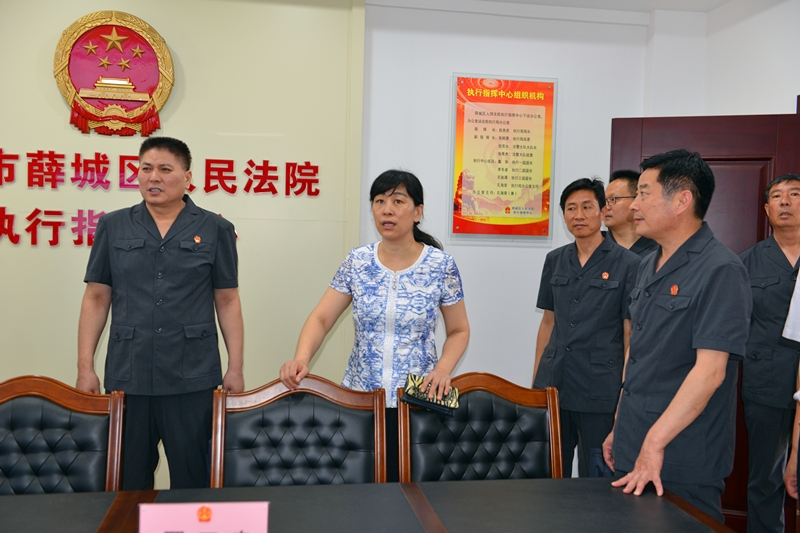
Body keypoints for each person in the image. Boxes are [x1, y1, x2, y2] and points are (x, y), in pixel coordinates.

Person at [76, 137, 244, 490]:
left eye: (165, 169)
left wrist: (235, 367)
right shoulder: (113, 226)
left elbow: (227, 300)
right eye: (146, 168)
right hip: (129, 374)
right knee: (126, 481)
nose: (154, 177)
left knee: (193, 479)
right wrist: (85, 367)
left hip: (192, 376)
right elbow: (96, 297)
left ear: (187, 177)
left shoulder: (215, 229)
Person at [279, 169, 470, 480]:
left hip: (418, 401)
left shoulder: (440, 265)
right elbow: (321, 318)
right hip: (360, 400)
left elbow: (459, 330)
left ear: (418, 212)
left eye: (398, 201)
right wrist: (301, 358)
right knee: (360, 487)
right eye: (379, 201)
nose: (387, 210)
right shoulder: (358, 262)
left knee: (412, 488)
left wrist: (443, 370)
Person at [602, 149, 751, 522]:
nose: (634, 204)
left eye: (644, 193)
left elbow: (710, 372)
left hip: (681, 455)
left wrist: (654, 443)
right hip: (634, 442)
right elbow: (637, 352)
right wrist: (620, 425)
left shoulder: (721, 269)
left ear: (682, 200)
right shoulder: (645, 265)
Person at [532, 178, 640, 477]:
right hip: (555, 383)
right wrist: (536, 384)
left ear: (603, 211)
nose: (578, 215)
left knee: (597, 474)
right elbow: (548, 322)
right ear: (563, 215)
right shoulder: (555, 260)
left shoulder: (629, 263)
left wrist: (626, 389)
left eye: (587, 207)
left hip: (600, 388)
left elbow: (629, 332)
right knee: (551, 473)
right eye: (571, 208)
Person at [740, 174, 800, 533]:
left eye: (795, 194)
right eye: (777, 196)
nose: (785, 201)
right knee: (766, 478)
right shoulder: (746, 263)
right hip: (766, 386)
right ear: (766, 209)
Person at [604, 170, 658, 258]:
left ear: (637, 199)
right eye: (605, 201)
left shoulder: (659, 248)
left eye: (613, 199)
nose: (606, 207)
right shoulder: (594, 246)